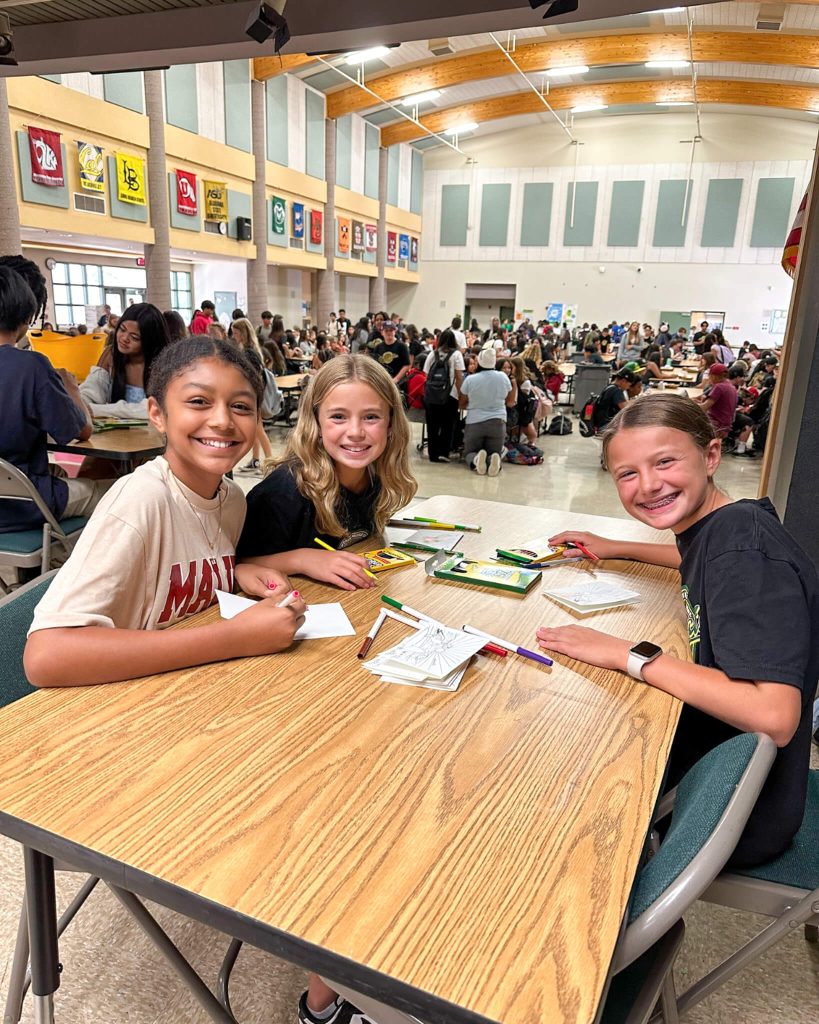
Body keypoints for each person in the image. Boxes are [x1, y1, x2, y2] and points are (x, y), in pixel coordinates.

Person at [537, 394, 818, 868]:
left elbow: (775, 715)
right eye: (627, 474)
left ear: (710, 456)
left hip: (732, 812)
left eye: (664, 462)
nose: (647, 485)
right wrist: (615, 547)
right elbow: (697, 558)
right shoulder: (730, 525)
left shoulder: (742, 553)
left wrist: (628, 653)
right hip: (729, 778)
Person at [25, 336, 306, 688]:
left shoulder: (232, 499)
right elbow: (45, 655)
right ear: (157, 413)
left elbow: (176, 575)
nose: (222, 420)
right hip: (116, 707)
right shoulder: (141, 499)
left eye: (241, 406)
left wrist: (237, 573)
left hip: (187, 692)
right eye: (199, 401)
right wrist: (233, 638)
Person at [237, 355, 416, 598]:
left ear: (391, 424)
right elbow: (239, 566)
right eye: (338, 417)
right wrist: (302, 559)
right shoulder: (282, 492)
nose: (355, 432)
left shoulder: (376, 476)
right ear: (316, 423)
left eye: (371, 416)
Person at [0, 265, 111, 532]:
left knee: (58, 474)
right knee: (116, 490)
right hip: (22, 506)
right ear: (27, 317)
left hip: (14, 491)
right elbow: (82, 430)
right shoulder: (32, 367)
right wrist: (71, 386)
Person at [79, 302, 170, 420]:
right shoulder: (111, 355)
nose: (124, 338)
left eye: (134, 337)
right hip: (118, 436)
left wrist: (95, 410)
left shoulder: (165, 365)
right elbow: (90, 391)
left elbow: (156, 409)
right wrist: (80, 402)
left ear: (150, 341)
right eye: (122, 329)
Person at [458, 348, 514, 476]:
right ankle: (494, 459)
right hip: (498, 421)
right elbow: (510, 400)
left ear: (480, 362)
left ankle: (476, 459)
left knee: (469, 452)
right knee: (496, 450)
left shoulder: (471, 379)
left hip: (474, 421)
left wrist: (474, 405)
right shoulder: (503, 377)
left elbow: (461, 403)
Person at [230, 317, 273, 474]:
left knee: (258, 430)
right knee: (255, 430)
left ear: (242, 333)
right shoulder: (250, 350)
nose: (234, 336)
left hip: (254, 395)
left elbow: (254, 377)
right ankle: (256, 460)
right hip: (252, 395)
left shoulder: (249, 352)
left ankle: (269, 462)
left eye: (235, 333)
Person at [423, 328, 464, 463]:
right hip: (450, 396)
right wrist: (461, 395)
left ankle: (433, 454)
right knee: (447, 425)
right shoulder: (456, 355)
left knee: (432, 426)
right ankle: (443, 452)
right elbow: (459, 377)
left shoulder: (432, 354)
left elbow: (426, 375)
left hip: (432, 396)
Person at [694, 362, 737, 438]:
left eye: (710, 375)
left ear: (714, 376)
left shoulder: (719, 387)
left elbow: (704, 408)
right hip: (726, 424)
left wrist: (689, 404)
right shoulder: (730, 385)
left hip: (716, 425)